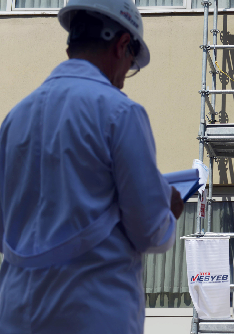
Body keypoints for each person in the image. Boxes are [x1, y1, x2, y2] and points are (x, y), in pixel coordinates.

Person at [0, 0, 184, 333]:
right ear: (122, 44)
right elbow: (149, 231)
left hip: (15, 311)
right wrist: (168, 212)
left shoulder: (15, 119)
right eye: (130, 64)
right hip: (91, 311)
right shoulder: (119, 113)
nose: (124, 81)